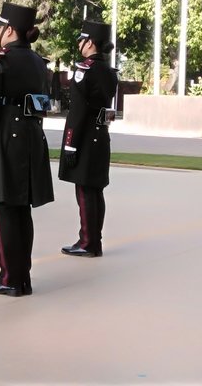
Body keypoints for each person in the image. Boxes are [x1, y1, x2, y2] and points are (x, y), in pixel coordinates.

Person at [0, 1, 54, 297]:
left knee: (3, 209)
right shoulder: (37, 62)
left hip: (4, 138)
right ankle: (23, 277)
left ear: (9, 30)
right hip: (31, 138)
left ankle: (9, 278)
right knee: (21, 211)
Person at [58, 20, 119, 258]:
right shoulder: (109, 72)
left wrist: (70, 143)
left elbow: (78, 111)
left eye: (81, 40)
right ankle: (95, 238)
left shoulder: (84, 71)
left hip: (84, 136)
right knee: (96, 190)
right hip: (100, 135)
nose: (79, 45)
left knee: (84, 190)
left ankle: (87, 242)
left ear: (90, 42)